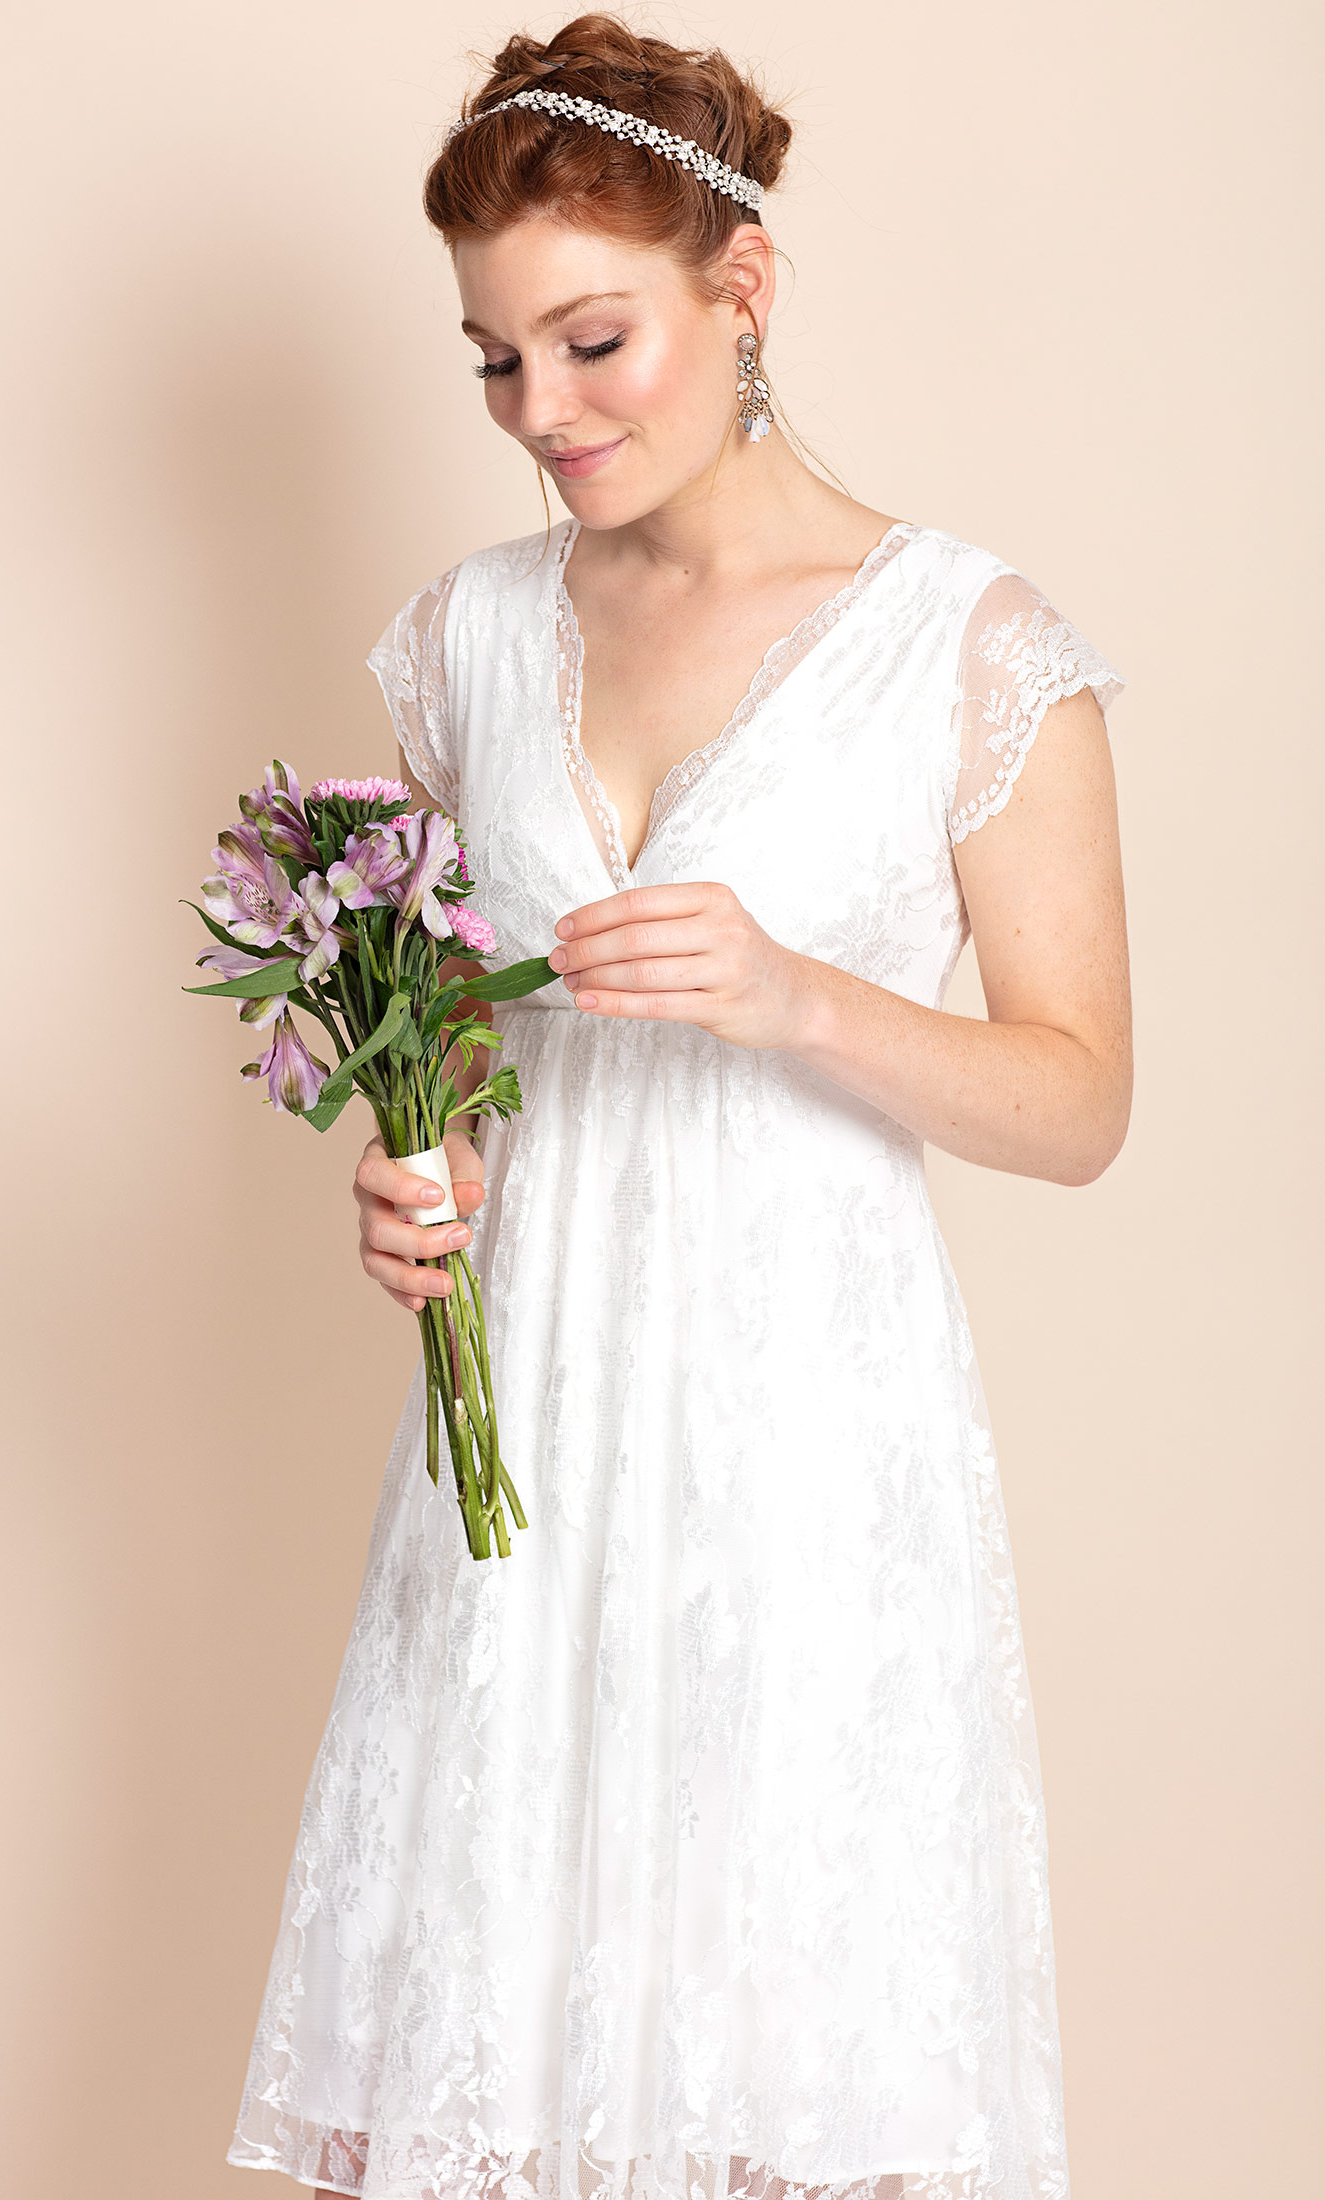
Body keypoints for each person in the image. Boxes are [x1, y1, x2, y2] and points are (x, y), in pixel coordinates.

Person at [226, 17, 1131, 2200]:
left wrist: (791, 991)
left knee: (779, 2061)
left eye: (591, 337)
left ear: (742, 292)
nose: (543, 413)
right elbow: (447, 1034)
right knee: (496, 2043)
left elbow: (1078, 1095)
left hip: (809, 1437)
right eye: (491, 361)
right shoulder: (463, 637)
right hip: (524, 1418)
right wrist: (414, 1169)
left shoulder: (963, 642)